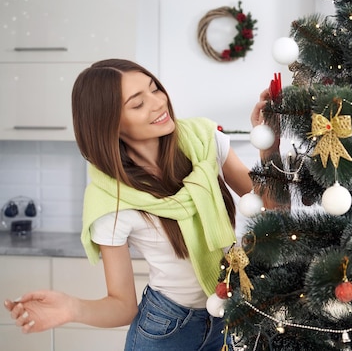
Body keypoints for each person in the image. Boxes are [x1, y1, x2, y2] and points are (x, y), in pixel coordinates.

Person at [3, 59, 279, 351]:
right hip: (166, 329)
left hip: (229, 317)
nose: (159, 103)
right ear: (110, 123)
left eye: (154, 89)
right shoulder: (111, 200)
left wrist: (268, 145)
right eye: (137, 104)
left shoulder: (203, 141)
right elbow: (122, 306)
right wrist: (72, 308)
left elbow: (273, 210)